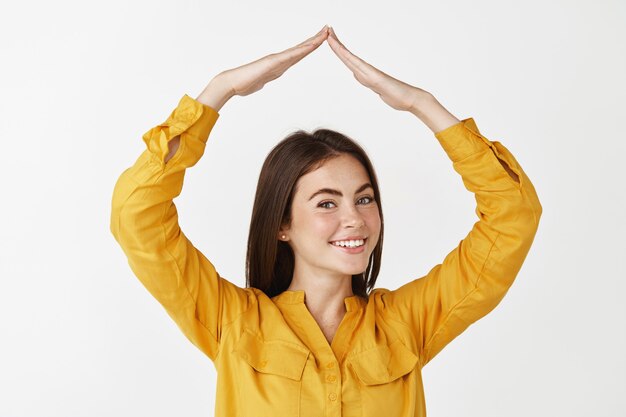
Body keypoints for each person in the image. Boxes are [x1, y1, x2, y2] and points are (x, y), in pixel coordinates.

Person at [110, 25, 542, 417]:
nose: (354, 219)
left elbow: (513, 216)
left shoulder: (405, 325)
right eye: (326, 204)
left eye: (364, 198)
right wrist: (218, 92)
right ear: (282, 225)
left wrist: (420, 104)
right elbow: (136, 215)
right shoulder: (233, 323)